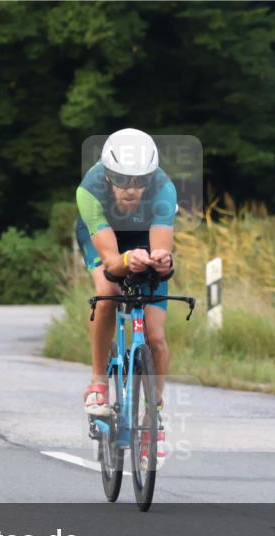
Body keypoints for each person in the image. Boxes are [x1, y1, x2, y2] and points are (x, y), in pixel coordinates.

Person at [75, 128, 176, 443]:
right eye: (121, 180)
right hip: (104, 237)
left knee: (156, 337)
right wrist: (127, 259)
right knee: (108, 292)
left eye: (139, 180)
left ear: (150, 177)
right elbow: (110, 262)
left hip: (143, 236)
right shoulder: (89, 190)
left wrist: (161, 261)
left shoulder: (164, 188)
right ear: (107, 175)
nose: (131, 189)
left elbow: (163, 249)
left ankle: (153, 410)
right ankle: (98, 383)